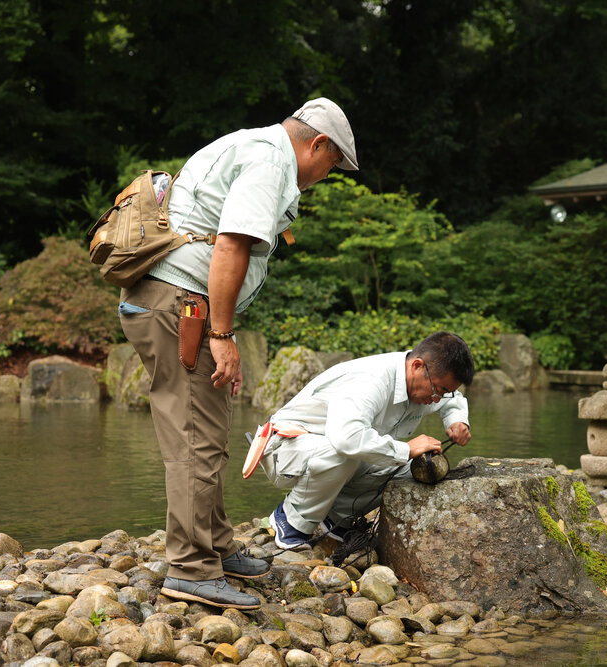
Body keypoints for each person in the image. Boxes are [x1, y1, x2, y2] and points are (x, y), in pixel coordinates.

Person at [117, 98, 358, 609]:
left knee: (209, 431)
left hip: (178, 302)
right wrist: (222, 335)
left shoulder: (250, 143)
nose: (324, 176)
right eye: (331, 164)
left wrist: (222, 330)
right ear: (316, 144)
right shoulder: (272, 161)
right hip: (181, 306)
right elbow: (231, 244)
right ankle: (190, 567)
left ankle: (216, 548)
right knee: (193, 440)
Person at [245, 332, 474, 549]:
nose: (437, 398)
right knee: (348, 452)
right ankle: (291, 520)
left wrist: (457, 422)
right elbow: (346, 439)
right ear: (417, 366)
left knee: (415, 466)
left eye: (444, 393)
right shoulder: (371, 379)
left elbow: (452, 400)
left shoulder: (422, 382)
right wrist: (406, 448)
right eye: (438, 389)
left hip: (329, 451)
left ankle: (335, 519)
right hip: (285, 448)